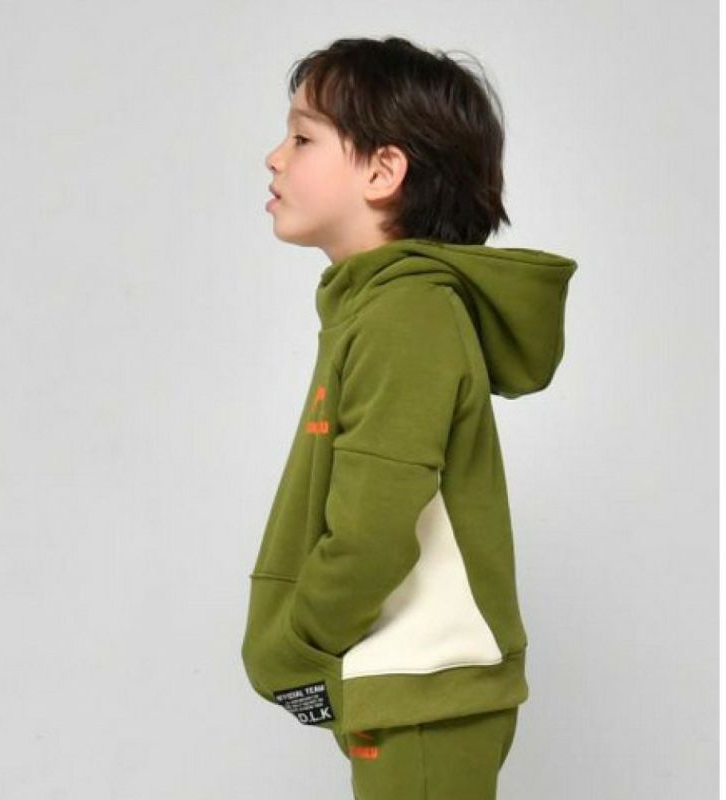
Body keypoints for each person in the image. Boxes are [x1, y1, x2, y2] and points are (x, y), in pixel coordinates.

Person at [240, 35, 578, 800]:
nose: (274, 157)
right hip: (407, 683)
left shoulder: (406, 314)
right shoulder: (379, 307)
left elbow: (373, 528)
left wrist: (296, 646)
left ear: (383, 171)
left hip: (426, 686)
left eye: (302, 138)